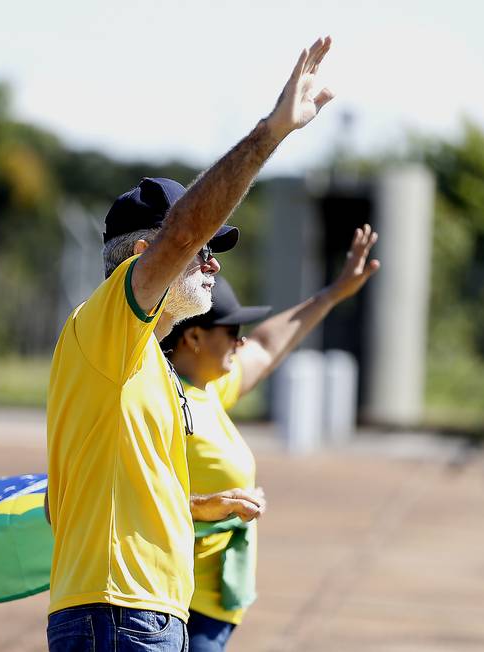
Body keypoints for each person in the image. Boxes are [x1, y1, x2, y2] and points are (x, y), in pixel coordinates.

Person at [44, 36, 337, 652]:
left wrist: (196, 506)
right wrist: (270, 134)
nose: (213, 265)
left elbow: (70, 505)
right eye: (203, 251)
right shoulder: (109, 327)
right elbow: (182, 233)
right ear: (144, 256)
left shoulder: (141, 356)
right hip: (121, 616)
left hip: (139, 614)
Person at [161, 225, 379, 652]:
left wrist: (332, 293)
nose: (240, 341)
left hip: (211, 610)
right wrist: (207, 507)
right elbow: (133, 494)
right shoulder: (166, 399)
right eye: (231, 331)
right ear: (194, 336)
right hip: (184, 608)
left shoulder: (207, 388)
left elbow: (265, 344)